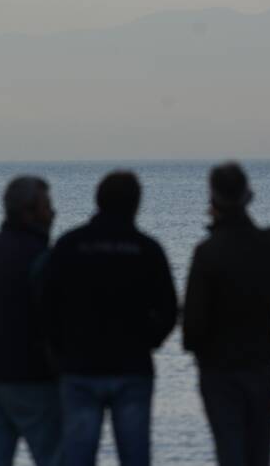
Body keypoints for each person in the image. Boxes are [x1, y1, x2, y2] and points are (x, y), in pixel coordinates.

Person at [42, 171, 178, 466]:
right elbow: (169, 308)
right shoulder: (147, 249)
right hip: (132, 365)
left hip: (79, 366)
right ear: (136, 204)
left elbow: (47, 305)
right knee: (135, 455)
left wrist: (60, 348)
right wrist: (148, 341)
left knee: (77, 455)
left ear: (98, 200)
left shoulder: (69, 245)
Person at [182, 162, 270, 466]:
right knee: (259, 451)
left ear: (213, 199)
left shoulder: (208, 252)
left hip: (218, 365)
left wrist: (195, 346)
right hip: (259, 360)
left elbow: (193, 321)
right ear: (247, 194)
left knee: (230, 449)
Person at [0, 176, 61, 465]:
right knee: (52, 456)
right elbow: (53, 321)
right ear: (29, 212)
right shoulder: (43, 258)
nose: (53, 213)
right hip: (31, 377)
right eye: (47, 206)